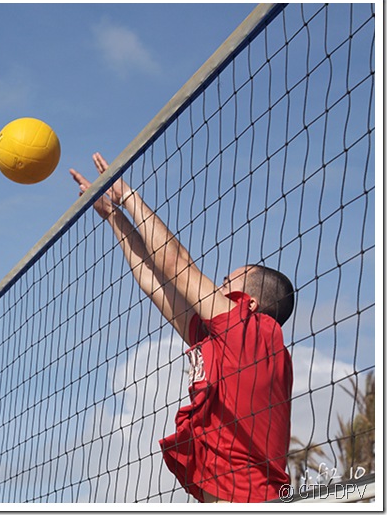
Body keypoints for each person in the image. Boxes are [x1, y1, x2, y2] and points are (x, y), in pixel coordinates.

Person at [71, 153, 294, 503]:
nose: (217, 287)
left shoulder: (254, 332)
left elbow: (176, 263)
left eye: (226, 283)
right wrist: (113, 217)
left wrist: (127, 194)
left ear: (249, 304)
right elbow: (154, 280)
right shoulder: (218, 340)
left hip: (252, 501)